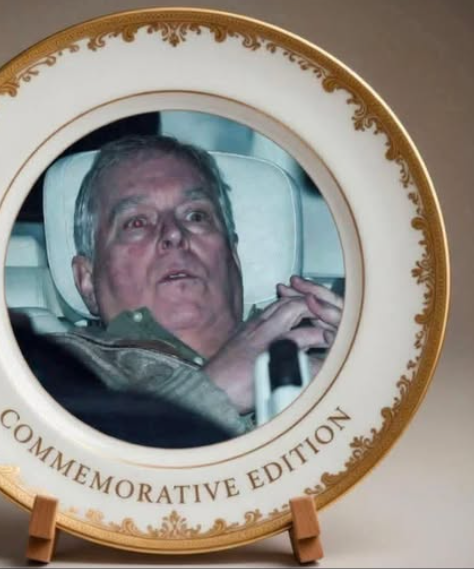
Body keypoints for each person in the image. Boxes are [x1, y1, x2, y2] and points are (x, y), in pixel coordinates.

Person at [17, 135, 343, 446]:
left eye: (196, 216)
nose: (173, 233)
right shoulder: (45, 373)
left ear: (233, 257)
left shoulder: (325, 353)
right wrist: (213, 393)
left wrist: (353, 380)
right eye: (136, 222)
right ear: (87, 280)